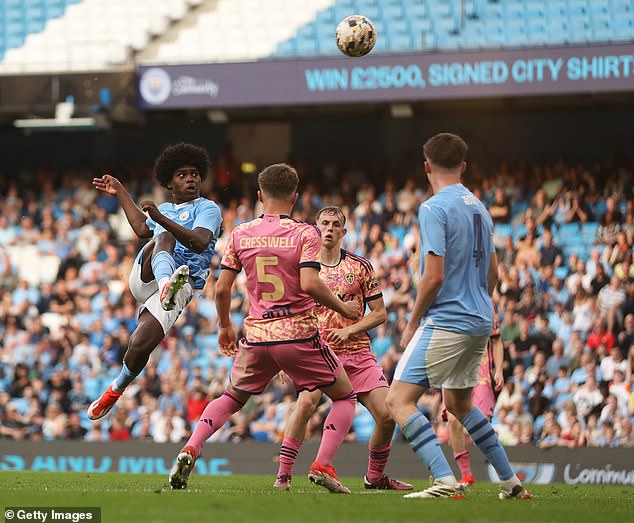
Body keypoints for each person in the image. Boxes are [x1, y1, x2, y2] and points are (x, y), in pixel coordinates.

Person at [168, 163, 360, 493]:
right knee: (345, 397)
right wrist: (345, 308)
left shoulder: (241, 233)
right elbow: (311, 283)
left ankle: (191, 448)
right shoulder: (305, 233)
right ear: (295, 197)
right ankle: (322, 464)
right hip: (298, 334)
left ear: (259, 196)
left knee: (230, 398)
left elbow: (224, 288)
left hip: (256, 336)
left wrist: (225, 327)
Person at [385, 133, 530, 500]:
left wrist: (413, 321)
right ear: (464, 166)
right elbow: (494, 272)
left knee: (397, 401)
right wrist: (479, 302)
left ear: (426, 166)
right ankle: (511, 482)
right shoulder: (480, 206)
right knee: (461, 406)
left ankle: (444, 480)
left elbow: (433, 276)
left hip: (446, 319)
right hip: (480, 318)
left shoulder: (434, 207)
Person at [273, 206, 412, 491]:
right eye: (324, 223)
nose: (330, 228)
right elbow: (287, 312)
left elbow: (379, 313)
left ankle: (374, 478)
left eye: (336, 224)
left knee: (387, 415)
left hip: (358, 352)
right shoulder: (302, 268)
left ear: (344, 232)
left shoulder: (360, 266)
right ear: (316, 228)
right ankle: (284, 475)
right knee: (306, 403)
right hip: (317, 351)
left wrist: (349, 329)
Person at [87, 143, 222, 420]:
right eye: (182, 175)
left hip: (183, 284)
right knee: (163, 238)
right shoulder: (164, 208)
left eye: (195, 174)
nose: (190, 179)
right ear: (169, 182)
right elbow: (140, 229)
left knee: (139, 345)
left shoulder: (208, 209)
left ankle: (115, 389)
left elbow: (199, 241)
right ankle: (164, 287)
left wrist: (160, 218)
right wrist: (122, 192)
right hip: (149, 277)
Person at [444, 309, 504, 487]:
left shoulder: (487, 304)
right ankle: (466, 476)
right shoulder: (450, 299)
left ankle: (505, 474)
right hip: (454, 368)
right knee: (453, 421)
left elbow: (497, 339)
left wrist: (499, 369)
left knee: (481, 423)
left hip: (481, 370)